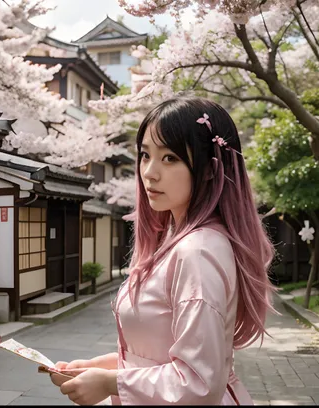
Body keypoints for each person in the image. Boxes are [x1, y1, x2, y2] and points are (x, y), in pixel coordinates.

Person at [49, 96, 276, 405]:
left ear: (210, 169)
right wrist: (97, 369)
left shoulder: (197, 251)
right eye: (145, 155)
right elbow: (159, 355)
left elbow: (198, 381)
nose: (150, 172)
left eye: (170, 158)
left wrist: (108, 382)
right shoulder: (180, 241)